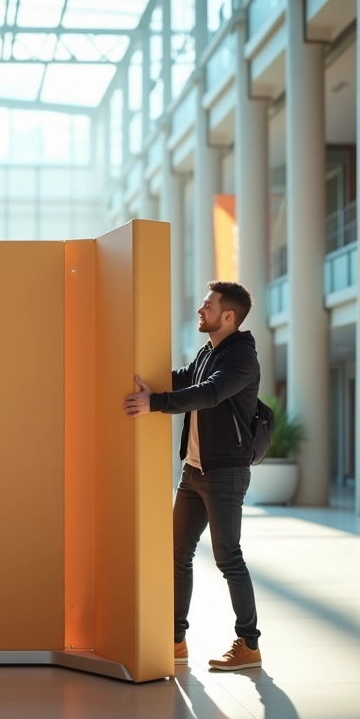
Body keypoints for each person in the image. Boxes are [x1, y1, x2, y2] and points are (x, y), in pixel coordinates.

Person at [123, 280, 263, 672]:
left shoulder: (240, 358)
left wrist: (155, 403)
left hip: (225, 473)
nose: (201, 311)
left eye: (208, 306)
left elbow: (209, 393)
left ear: (228, 316)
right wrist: (147, 382)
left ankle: (249, 644)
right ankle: (174, 640)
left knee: (228, 558)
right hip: (194, 470)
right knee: (176, 553)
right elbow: (187, 377)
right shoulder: (210, 351)